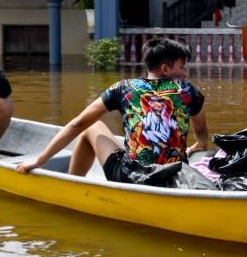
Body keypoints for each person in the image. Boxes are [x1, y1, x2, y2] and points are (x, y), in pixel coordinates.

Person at [16, 38, 208, 178]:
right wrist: (200, 144)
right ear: (165, 69)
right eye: (182, 67)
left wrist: (39, 161)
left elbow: (77, 124)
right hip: (175, 177)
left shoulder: (124, 88)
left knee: (90, 126)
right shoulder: (189, 92)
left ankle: (72, 183)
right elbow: (199, 129)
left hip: (133, 177)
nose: (185, 72)